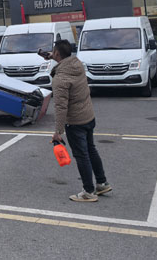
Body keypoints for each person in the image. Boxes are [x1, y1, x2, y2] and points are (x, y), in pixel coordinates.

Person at [47, 40, 112, 202]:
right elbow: (64, 60)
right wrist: (52, 57)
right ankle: (102, 183)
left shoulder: (60, 78)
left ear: (57, 53)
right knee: (91, 150)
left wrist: (58, 132)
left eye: (54, 52)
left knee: (81, 155)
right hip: (89, 116)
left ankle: (88, 191)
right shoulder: (77, 64)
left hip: (75, 122)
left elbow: (61, 107)